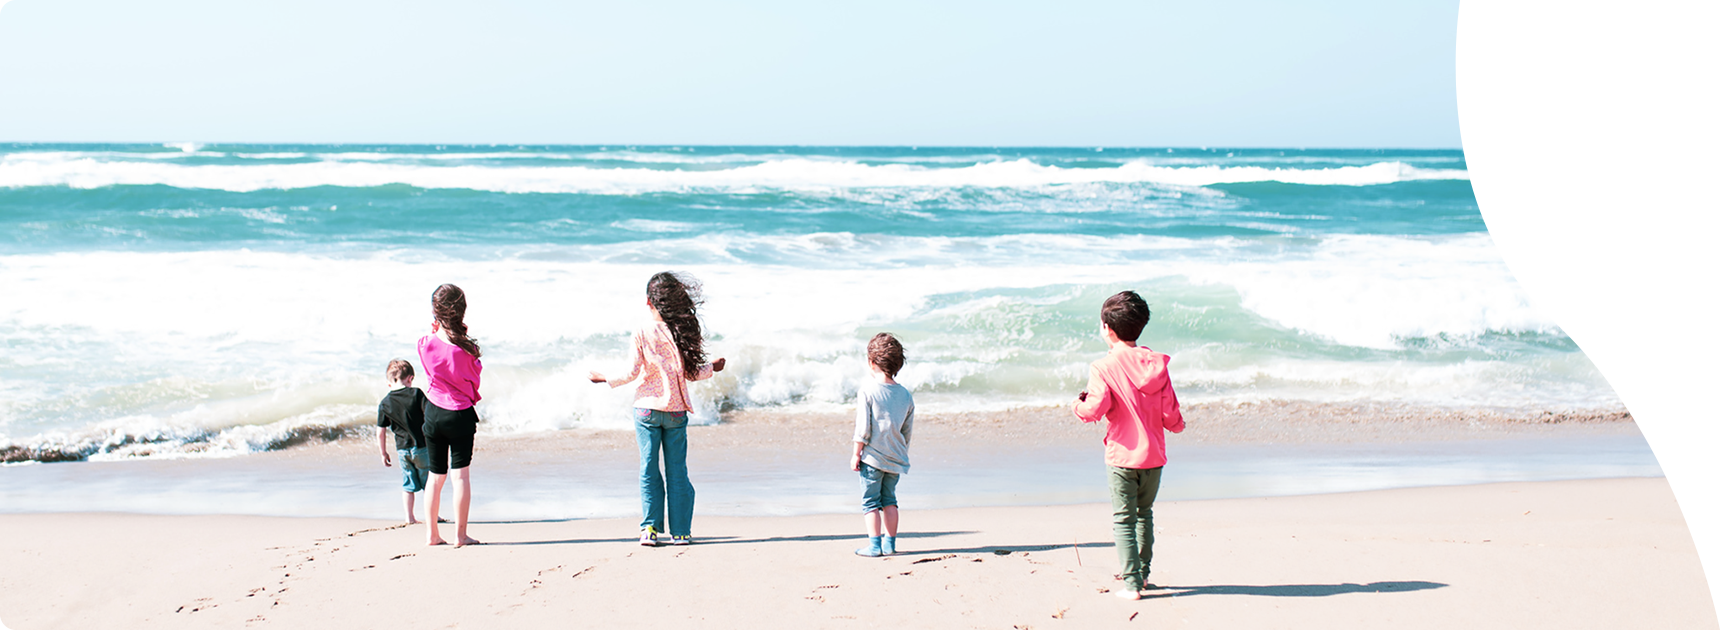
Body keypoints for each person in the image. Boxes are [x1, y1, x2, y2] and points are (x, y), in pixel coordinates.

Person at [590, 272, 726, 547]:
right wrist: (713, 368)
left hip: (646, 412)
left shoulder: (642, 331)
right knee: (677, 471)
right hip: (675, 413)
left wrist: (604, 377)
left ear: (649, 302)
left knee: (648, 469)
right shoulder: (681, 332)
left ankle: (650, 530)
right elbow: (690, 373)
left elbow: (631, 372)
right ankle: (681, 533)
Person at [1071, 290, 1185, 600]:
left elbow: (1095, 409)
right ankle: (1143, 575)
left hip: (1122, 457)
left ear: (1106, 328)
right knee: (1144, 514)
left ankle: (1132, 584)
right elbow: (1170, 413)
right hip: (1154, 458)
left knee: (1123, 518)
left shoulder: (1103, 367)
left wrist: (1077, 405)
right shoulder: (1156, 365)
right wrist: (1178, 425)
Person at [418, 283, 483, 548]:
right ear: (462, 312)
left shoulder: (424, 343)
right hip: (459, 414)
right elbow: (474, 381)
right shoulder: (467, 350)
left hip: (433, 411)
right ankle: (460, 535)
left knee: (435, 476)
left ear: (435, 313)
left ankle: (432, 535)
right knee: (461, 477)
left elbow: (429, 368)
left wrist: (439, 331)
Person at [850, 333, 914, 558]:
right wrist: (900, 452)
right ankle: (890, 543)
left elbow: (863, 429)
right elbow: (906, 430)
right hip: (895, 458)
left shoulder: (867, 391)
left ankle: (875, 545)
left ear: (871, 362)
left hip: (873, 459)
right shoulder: (905, 395)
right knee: (889, 500)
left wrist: (856, 453)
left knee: (870, 502)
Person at [376, 359, 430, 524]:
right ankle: (433, 515)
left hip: (402, 451)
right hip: (422, 447)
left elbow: (380, 432)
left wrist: (383, 452)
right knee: (429, 484)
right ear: (410, 378)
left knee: (408, 484)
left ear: (389, 382)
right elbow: (429, 417)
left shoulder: (385, 403)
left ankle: (410, 517)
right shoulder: (416, 394)